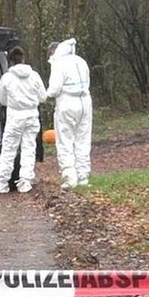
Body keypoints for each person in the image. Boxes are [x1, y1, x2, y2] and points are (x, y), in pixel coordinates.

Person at [0, 46, 46, 194]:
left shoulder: (7, 78)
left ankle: (3, 182)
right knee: (29, 148)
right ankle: (25, 181)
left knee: (9, 149)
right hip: (32, 116)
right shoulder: (34, 76)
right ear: (24, 58)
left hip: (15, 117)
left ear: (10, 61)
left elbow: (2, 100)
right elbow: (43, 97)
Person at [46, 38, 92, 188]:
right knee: (83, 139)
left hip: (67, 103)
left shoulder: (59, 64)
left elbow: (54, 89)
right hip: (85, 102)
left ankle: (69, 177)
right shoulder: (81, 61)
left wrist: (44, 95)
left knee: (65, 140)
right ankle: (83, 176)